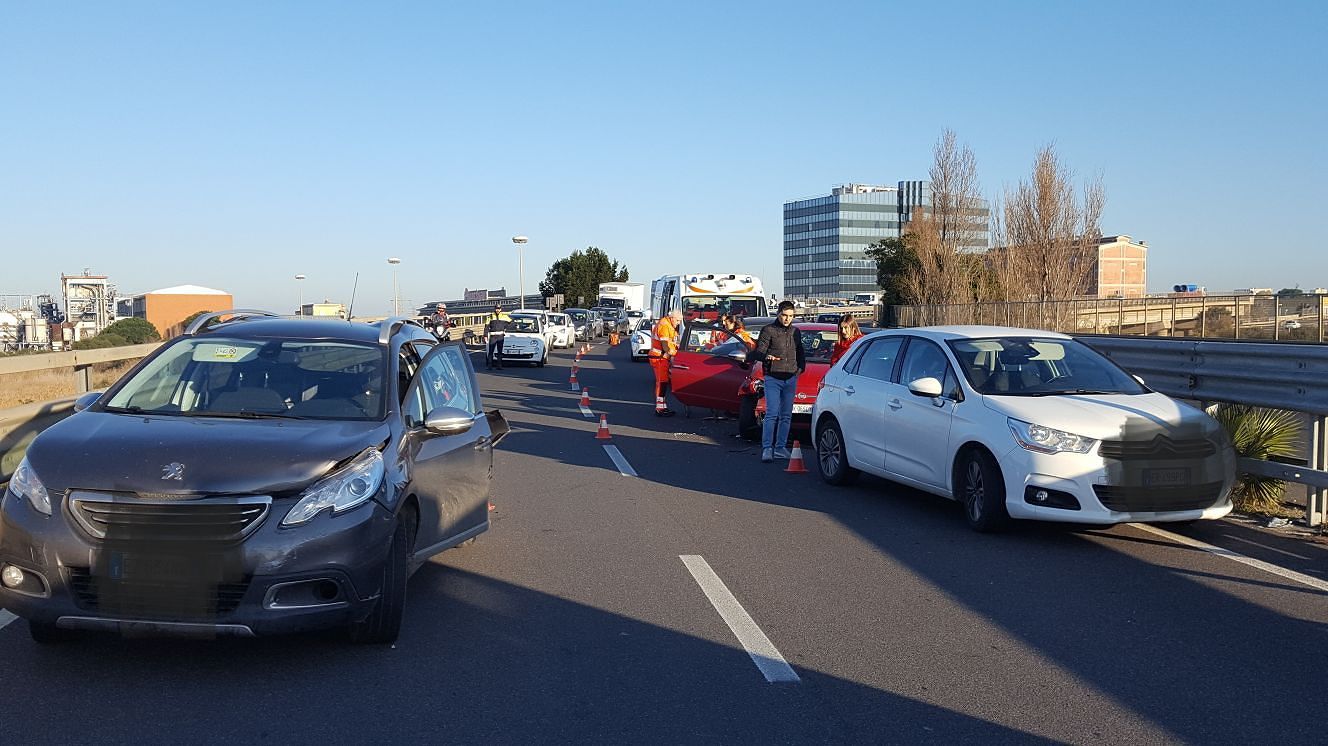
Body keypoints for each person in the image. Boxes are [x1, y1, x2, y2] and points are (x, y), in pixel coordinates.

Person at [750, 301, 804, 462]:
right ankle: (767, 448)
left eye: (791, 316)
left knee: (786, 415)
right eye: (785, 315)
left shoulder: (796, 331)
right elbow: (758, 351)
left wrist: (800, 369)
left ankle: (780, 448)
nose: (787, 319)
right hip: (773, 377)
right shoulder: (768, 330)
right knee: (772, 413)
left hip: (790, 377)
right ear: (778, 314)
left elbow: (800, 351)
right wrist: (767, 357)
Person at [648, 308, 683, 416]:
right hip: (659, 357)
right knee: (662, 382)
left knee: (663, 382)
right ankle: (660, 408)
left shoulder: (668, 324)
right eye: (677, 321)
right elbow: (665, 345)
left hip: (662, 357)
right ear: (672, 318)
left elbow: (671, 342)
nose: (678, 323)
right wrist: (675, 353)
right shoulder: (664, 325)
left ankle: (662, 406)